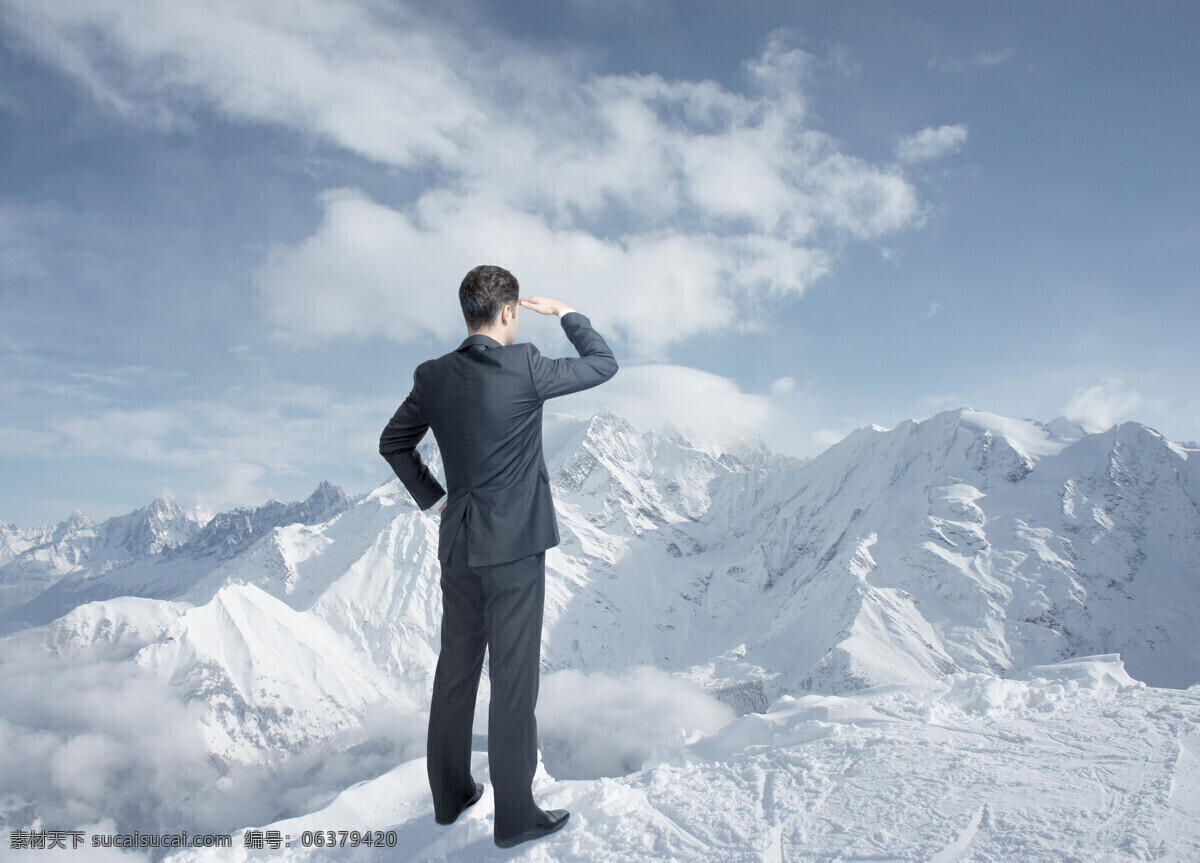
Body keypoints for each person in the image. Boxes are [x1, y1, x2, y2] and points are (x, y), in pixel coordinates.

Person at [379, 265, 618, 848]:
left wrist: (435, 498)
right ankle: (515, 817)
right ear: (509, 311)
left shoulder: (432, 375)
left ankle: (450, 794)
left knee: (455, 672)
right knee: (512, 682)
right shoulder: (527, 364)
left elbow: (393, 442)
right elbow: (603, 364)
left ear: (468, 313)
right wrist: (565, 313)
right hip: (515, 549)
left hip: (458, 543)